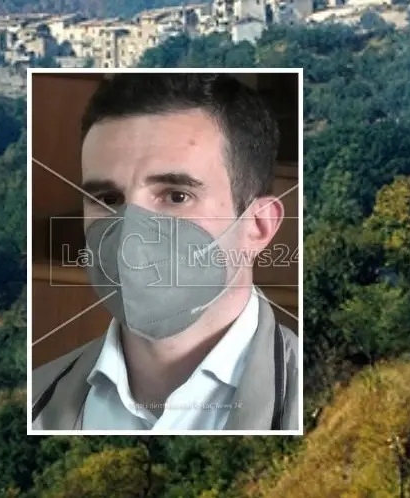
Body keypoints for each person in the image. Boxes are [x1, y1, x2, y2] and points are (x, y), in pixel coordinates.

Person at [30, 73, 301, 431]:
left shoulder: (325, 402)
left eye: (176, 196)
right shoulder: (32, 400)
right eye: (108, 200)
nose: (130, 240)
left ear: (258, 225)